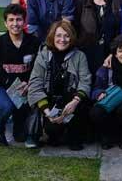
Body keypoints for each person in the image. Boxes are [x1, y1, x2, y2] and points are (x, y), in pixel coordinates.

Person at [0, 4, 42, 147]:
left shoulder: (34, 43)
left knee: (21, 132)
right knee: (6, 107)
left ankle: (18, 127)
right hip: (3, 87)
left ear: (24, 22)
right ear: (5, 23)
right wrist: (4, 79)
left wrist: (29, 83)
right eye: (11, 20)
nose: (15, 24)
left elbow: (39, 68)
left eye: (19, 20)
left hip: (25, 87)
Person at [27, 20, 92, 151]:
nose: (62, 39)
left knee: (75, 141)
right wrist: (47, 112)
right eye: (58, 35)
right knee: (53, 133)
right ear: (52, 37)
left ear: (72, 37)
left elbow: (85, 82)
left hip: (72, 102)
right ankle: (53, 131)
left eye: (66, 35)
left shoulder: (80, 56)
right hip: (51, 103)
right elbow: (35, 85)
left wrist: (75, 101)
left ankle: (74, 134)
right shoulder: (43, 55)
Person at [89, 34, 122, 149]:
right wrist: (99, 93)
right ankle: (106, 137)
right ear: (115, 54)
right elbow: (95, 88)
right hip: (109, 104)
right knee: (96, 111)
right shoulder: (106, 68)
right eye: (120, 51)